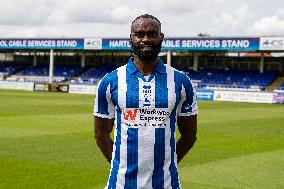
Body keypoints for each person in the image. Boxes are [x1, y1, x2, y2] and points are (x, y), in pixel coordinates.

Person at [94, 14, 198, 189]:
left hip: (166, 184)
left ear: (161, 37)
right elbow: (100, 133)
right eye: (139, 34)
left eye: (152, 34)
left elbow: (189, 135)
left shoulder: (181, 81)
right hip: (121, 184)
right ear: (131, 38)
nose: (146, 39)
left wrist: (167, 164)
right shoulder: (110, 81)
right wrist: (120, 166)